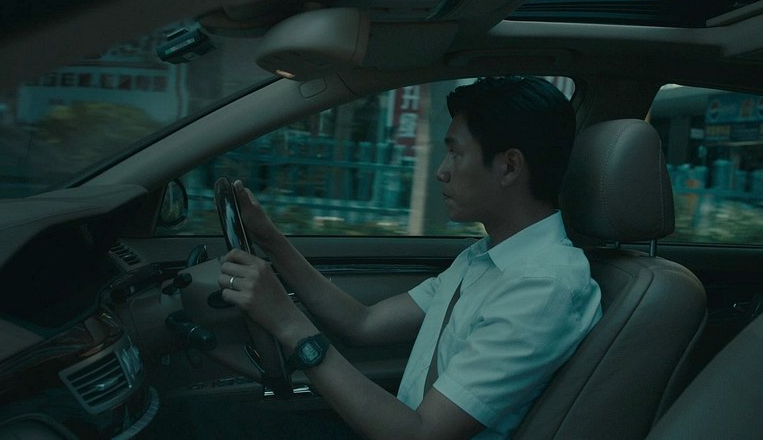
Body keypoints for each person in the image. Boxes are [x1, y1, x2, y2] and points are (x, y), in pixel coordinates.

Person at [217, 76, 603, 439]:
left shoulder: (542, 287)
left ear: (509, 167)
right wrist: (270, 240)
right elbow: (363, 323)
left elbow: (421, 433)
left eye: (455, 153)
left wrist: (287, 323)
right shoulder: (484, 257)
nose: (441, 172)